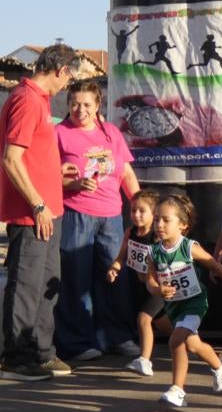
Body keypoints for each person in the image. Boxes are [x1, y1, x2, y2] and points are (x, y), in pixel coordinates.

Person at [1, 43, 82, 381]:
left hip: (49, 211)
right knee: (26, 285)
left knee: (48, 284)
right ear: (61, 70)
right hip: (32, 213)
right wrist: (37, 204)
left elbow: (30, 155)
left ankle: (42, 353)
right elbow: (11, 159)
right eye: (69, 78)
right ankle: (16, 359)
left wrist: (54, 171)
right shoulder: (26, 99)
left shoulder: (39, 100)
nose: (67, 85)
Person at [55, 79, 142, 362]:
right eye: (74, 104)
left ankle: (117, 337)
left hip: (111, 216)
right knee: (75, 279)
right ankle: (76, 343)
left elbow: (125, 173)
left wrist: (140, 204)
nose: (80, 110)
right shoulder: (58, 133)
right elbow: (46, 176)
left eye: (86, 104)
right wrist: (73, 184)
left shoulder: (111, 133)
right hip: (75, 214)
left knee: (115, 276)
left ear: (98, 105)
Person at [145, 194, 222, 408]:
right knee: (193, 344)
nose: (159, 225)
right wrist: (158, 289)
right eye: (156, 219)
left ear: (182, 225)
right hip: (174, 307)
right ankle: (220, 364)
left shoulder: (188, 247)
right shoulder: (153, 253)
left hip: (194, 304)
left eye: (166, 220)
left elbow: (214, 265)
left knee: (176, 341)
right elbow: (149, 281)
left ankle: (177, 390)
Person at [107, 189, 168, 377]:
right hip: (138, 287)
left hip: (156, 287)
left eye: (142, 211)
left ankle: (144, 361)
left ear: (154, 213)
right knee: (167, 327)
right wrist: (114, 268)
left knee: (143, 319)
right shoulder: (130, 232)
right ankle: (196, 345)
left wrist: (157, 281)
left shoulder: (157, 237)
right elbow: (121, 257)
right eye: (133, 210)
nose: (136, 215)